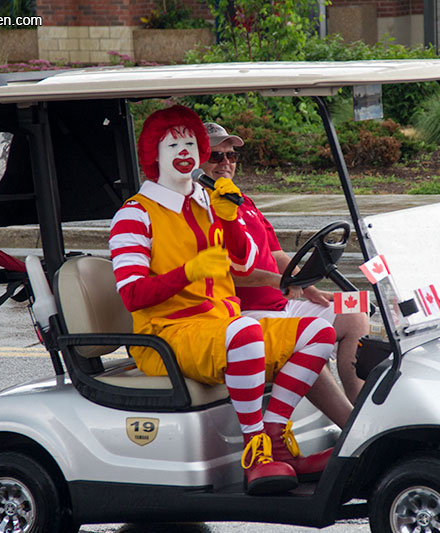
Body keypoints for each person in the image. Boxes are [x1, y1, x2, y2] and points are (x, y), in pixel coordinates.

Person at [109, 105, 336, 496]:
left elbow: (245, 261)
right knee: (245, 330)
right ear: (154, 155)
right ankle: (255, 452)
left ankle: (274, 436)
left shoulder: (206, 202)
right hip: (168, 334)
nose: (183, 151)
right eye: (172, 144)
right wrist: (188, 272)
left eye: (189, 143)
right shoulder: (135, 215)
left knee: (318, 329)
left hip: (220, 326)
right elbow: (131, 295)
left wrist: (229, 218)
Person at [200, 122, 369, 407]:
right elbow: (224, 273)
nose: (225, 163)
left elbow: (276, 254)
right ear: (196, 162)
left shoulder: (241, 200)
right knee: (309, 336)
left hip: (281, 302)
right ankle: (351, 427)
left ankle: (363, 406)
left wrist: (307, 285)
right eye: (215, 156)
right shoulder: (200, 208)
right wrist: (279, 282)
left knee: (356, 310)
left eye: (231, 156)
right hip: (245, 315)